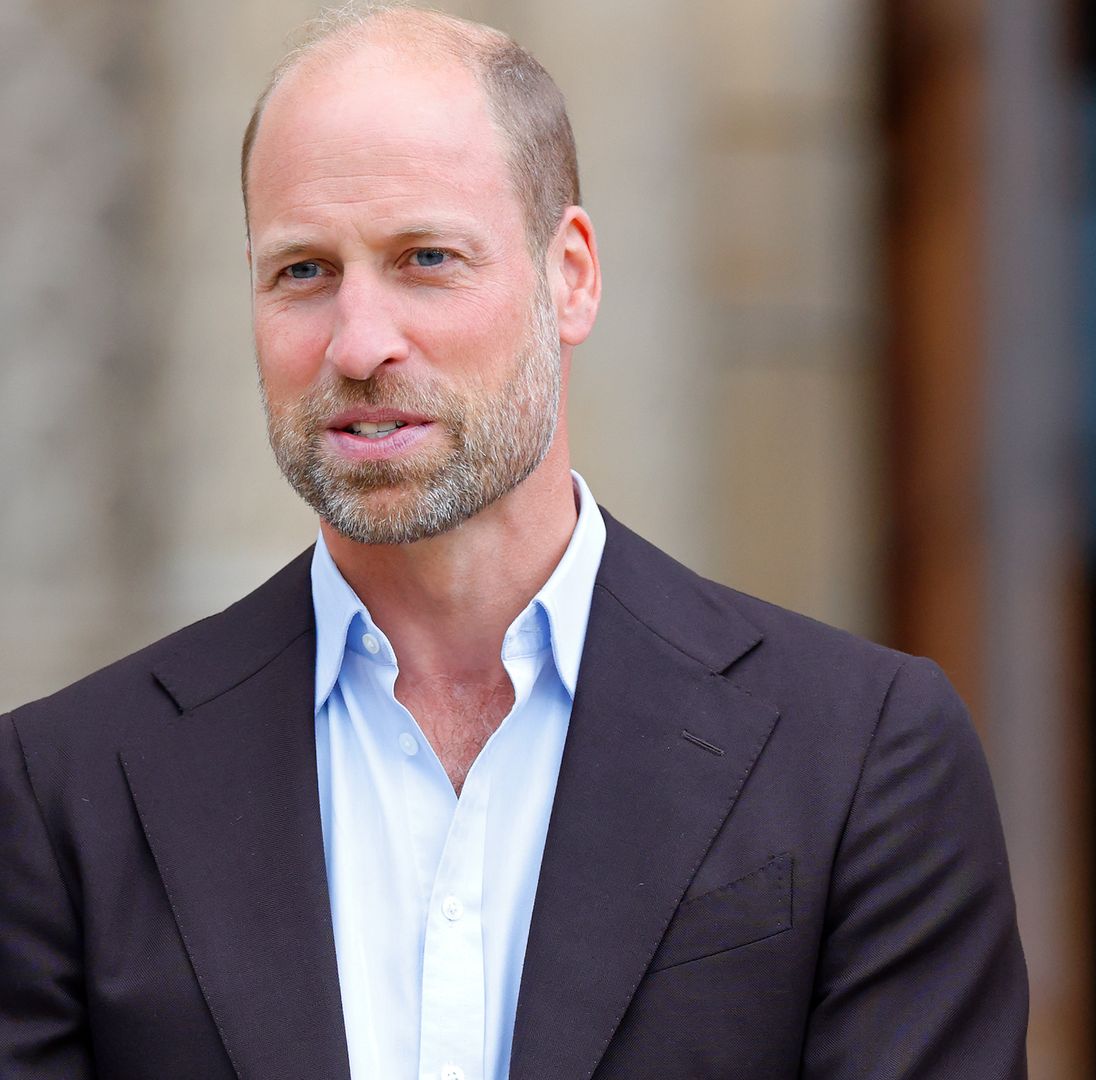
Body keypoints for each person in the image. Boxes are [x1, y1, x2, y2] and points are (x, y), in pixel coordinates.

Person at [0, 6, 1027, 1079]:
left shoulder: (862, 756)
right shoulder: (64, 790)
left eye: (425, 257)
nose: (359, 343)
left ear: (570, 274)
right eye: (302, 271)